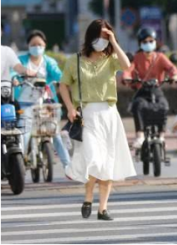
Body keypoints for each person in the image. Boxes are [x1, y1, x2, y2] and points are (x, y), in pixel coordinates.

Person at [60, 19, 136, 221]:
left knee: (108, 162)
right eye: (99, 37)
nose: (102, 41)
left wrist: (113, 40)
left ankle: (103, 208)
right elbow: (63, 86)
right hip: (87, 114)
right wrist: (69, 108)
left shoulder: (110, 59)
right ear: (90, 37)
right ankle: (87, 198)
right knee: (93, 158)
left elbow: (127, 65)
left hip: (109, 114)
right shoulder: (74, 61)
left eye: (105, 37)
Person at [15, 30, 71, 171]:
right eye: (33, 44)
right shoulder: (21, 60)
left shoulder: (49, 62)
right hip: (24, 104)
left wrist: (67, 79)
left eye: (39, 44)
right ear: (28, 46)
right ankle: (20, 163)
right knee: (25, 132)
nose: (37, 47)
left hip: (45, 104)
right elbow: (14, 72)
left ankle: (69, 167)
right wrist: (15, 78)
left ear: (45, 45)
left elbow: (59, 75)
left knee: (55, 133)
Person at [122, 27, 177, 148]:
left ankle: (161, 135)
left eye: (151, 41)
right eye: (145, 42)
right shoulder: (136, 57)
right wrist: (127, 77)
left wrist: (174, 76)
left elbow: (172, 69)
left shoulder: (160, 57)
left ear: (155, 42)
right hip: (141, 90)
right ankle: (140, 135)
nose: (148, 44)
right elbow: (128, 70)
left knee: (164, 105)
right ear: (140, 43)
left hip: (156, 89)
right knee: (137, 105)